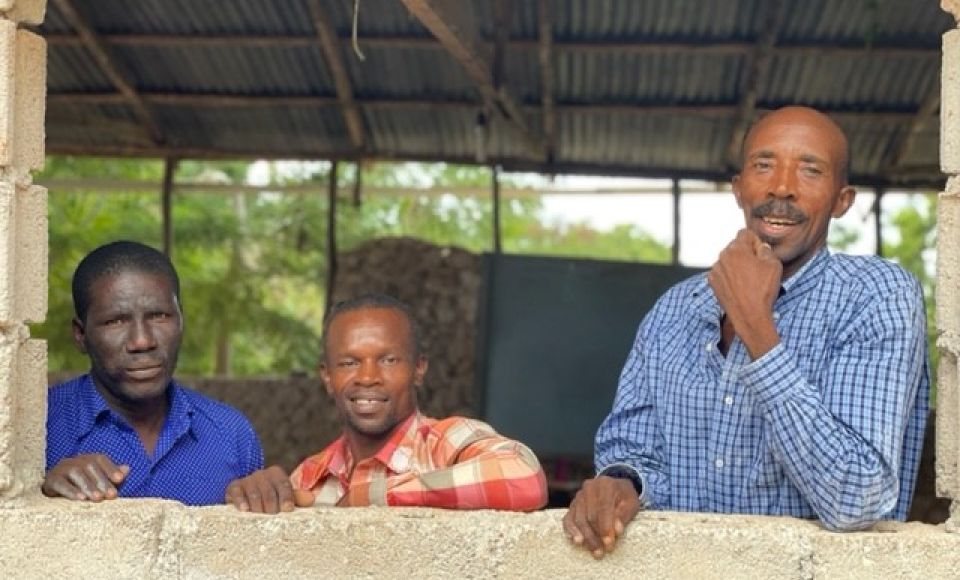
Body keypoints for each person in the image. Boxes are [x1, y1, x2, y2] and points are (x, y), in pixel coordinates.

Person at [563, 106, 930, 556]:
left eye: (810, 170)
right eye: (763, 165)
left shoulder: (876, 296)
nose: (782, 187)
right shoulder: (675, 309)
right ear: (738, 189)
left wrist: (757, 325)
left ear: (842, 200)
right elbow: (632, 449)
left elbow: (854, 497)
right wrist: (622, 484)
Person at [226, 294, 547, 513]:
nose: (368, 377)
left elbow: (523, 476)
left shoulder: (446, 443)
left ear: (418, 369)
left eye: (389, 360)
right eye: (349, 362)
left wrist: (372, 495)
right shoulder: (310, 477)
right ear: (327, 376)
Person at [44, 241, 263, 506]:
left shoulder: (232, 434)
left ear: (182, 321)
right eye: (116, 321)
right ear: (81, 335)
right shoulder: (38, 429)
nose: (142, 341)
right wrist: (40, 494)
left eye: (159, 316)